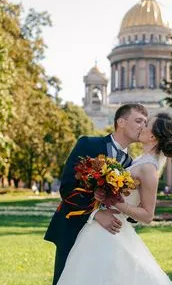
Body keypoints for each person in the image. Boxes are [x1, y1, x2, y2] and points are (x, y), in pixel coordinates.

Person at [56, 113, 172, 285]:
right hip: (102, 227)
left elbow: (148, 215)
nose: (141, 127)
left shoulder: (148, 168)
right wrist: (102, 194)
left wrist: (118, 203)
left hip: (111, 228)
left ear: (152, 136)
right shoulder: (139, 160)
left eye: (146, 125)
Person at [44, 104, 148, 285]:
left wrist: (139, 205)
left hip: (106, 237)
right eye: (138, 121)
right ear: (121, 122)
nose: (143, 126)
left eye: (145, 123)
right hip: (73, 228)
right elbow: (67, 188)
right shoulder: (88, 144)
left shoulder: (132, 164)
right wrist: (96, 213)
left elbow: (126, 208)